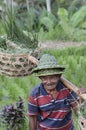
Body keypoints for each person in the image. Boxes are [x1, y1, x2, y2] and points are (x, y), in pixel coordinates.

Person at [27, 54, 86, 130]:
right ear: (40, 77)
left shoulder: (67, 90)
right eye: (44, 78)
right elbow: (32, 118)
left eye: (52, 77)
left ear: (59, 76)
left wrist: (83, 97)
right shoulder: (35, 94)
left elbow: (78, 111)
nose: (49, 82)